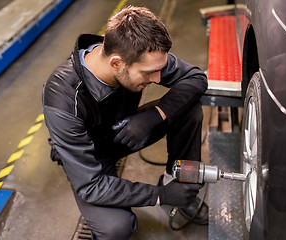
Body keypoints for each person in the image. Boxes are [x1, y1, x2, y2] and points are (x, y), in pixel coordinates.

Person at [43, 6, 208, 240]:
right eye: (149, 73)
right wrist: (160, 195)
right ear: (116, 63)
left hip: (127, 130)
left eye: (160, 70)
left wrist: (157, 113)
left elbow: (196, 77)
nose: (158, 79)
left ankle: (180, 185)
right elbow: (90, 186)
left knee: (188, 108)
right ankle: (171, 193)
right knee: (116, 228)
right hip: (90, 157)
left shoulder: (137, 49)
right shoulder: (62, 99)